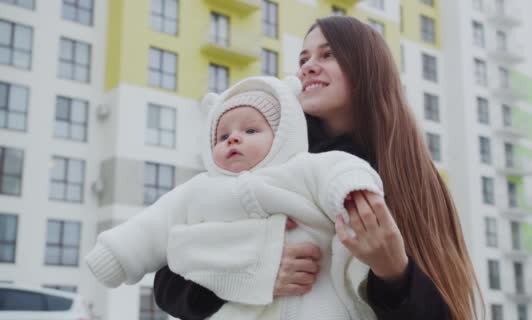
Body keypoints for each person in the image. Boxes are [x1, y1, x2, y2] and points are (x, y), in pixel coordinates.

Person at [154, 16, 482, 320]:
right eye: (303, 59)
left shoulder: (413, 179)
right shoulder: (260, 158)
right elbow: (168, 284)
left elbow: (445, 309)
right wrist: (249, 272)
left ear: (368, 68)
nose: (309, 67)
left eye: (327, 55)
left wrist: (395, 273)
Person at [85, 75, 383, 320]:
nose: (234, 138)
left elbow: (339, 169)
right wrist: (116, 254)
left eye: (251, 129)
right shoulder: (199, 190)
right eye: (222, 136)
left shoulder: (301, 168)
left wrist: (353, 186)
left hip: (315, 297)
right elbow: (152, 226)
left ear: (282, 136)